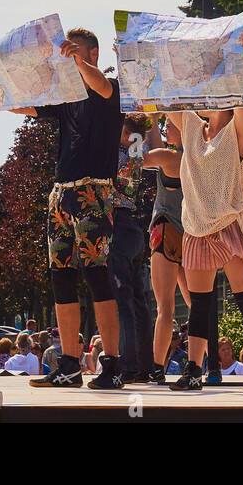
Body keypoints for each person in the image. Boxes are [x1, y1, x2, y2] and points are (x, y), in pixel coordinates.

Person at [0, 26, 125, 390]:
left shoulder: (109, 89)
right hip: (60, 193)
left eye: (76, 50)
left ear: (93, 54)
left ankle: (112, 364)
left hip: (94, 192)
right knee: (61, 277)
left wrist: (78, 60)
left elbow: (99, 83)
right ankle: (68, 364)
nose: (66, 56)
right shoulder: (66, 96)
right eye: (65, 51)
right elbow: (22, 103)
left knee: (96, 274)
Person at [164, 81, 243, 393]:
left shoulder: (237, 131)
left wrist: (239, 59)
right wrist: (131, 53)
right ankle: (194, 369)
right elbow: (165, 98)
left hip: (230, 223)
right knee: (199, 305)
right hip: (197, 227)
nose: (205, 101)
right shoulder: (193, 128)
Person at [143, 114, 191, 385]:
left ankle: (157, 367)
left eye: (169, 125)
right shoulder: (195, 158)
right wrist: (152, 118)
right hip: (190, 233)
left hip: (166, 231)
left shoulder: (168, 156)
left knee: (165, 308)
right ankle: (204, 365)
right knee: (197, 304)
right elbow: (156, 143)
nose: (164, 128)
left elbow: (145, 156)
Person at [109, 113, 156, 383]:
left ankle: (127, 364)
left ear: (126, 133)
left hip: (116, 225)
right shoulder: (138, 154)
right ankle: (144, 366)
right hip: (135, 228)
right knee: (139, 302)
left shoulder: (114, 157)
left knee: (122, 300)